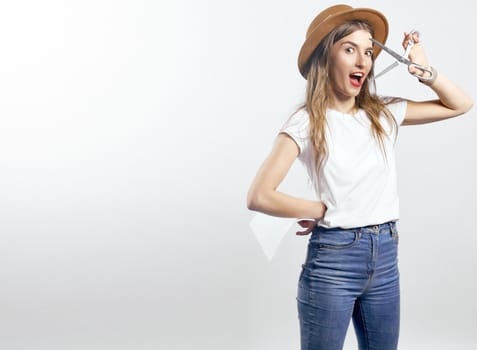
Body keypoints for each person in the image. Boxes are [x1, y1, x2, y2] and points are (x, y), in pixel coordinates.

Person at [246, 4, 472, 350]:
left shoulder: (382, 113)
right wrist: (320, 209)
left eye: (368, 51)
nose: (363, 61)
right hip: (333, 260)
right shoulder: (307, 123)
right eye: (349, 49)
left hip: (385, 257)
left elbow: (459, 105)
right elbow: (260, 195)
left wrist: (425, 70)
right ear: (326, 57)